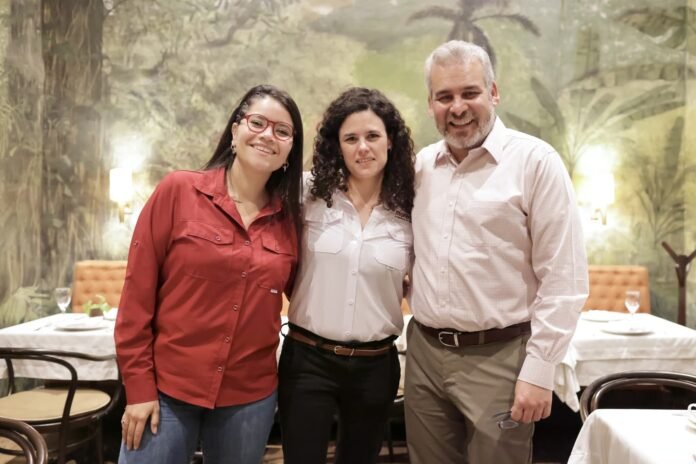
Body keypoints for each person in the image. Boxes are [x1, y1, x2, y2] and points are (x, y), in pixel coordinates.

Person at [405, 40, 589, 464]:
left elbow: (565, 279)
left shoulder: (536, 162)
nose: (457, 108)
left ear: (493, 92)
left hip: (502, 357)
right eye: (444, 97)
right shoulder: (420, 167)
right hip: (425, 355)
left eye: (469, 93)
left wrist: (540, 370)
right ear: (430, 104)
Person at [115, 84, 304, 464]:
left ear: (289, 151)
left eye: (282, 131)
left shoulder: (291, 221)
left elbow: (308, 290)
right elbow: (136, 299)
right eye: (258, 123)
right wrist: (138, 388)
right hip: (167, 388)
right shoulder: (178, 191)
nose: (268, 135)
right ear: (235, 130)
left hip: (249, 397)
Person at [278, 87, 415, 464]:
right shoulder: (307, 193)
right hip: (308, 360)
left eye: (372, 136)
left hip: (376, 365)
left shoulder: (411, 208)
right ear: (337, 146)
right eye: (350, 138)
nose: (362, 148)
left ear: (390, 141)